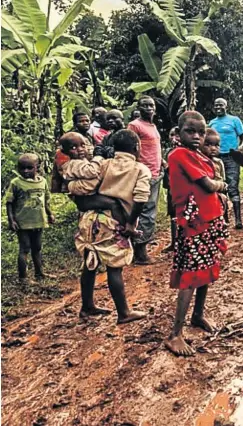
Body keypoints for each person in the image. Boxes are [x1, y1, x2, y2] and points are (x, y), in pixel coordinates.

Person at [67, 130, 151, 324]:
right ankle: (124, 313)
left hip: (91, 219)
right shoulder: (140, 169)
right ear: (137, 148)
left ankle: (87, 307)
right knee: (115, 268)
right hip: (114, 223)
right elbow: (140, 198)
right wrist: (130, 223)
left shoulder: (104, 165)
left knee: (90, 263)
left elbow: (87, 187)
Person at [166, 111, 230, 356]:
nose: (196, 136)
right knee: (191, 276)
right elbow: (209, 184)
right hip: (195, 225)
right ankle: (175, 335)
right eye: (190, 131)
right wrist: (221, 186)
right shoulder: (180, 155)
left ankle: (198, 315)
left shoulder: (198, 155)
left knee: (207, 271)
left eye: (201, 132)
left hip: (209, 221)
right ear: (178, 132)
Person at [59, 132, 127, 225]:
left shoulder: (82, 160)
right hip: (85, 199)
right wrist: (99, 157)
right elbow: (91, 171)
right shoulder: (74, 163)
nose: (80, 150)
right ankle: (123, 228)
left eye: (83, 145)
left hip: (90, 195)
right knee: (113, 204)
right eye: (73, 148)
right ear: (65, 151)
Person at [6, 154, 55, 281]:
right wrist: (11, 220)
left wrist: (50, 214)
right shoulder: (16, 183)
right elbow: (9, 203)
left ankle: (39, 274)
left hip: (38, 221)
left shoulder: (43, 181)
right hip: (23, 222)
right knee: (25, 248)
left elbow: (46, 200)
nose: (25, 171)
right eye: (22, 168)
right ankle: (23, 278)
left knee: (37, 248)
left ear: (37, 167)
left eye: (29, 168)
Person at [127, 96, 164, 264]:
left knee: (150, 211)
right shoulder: (135, 125)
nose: (149, 108)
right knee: (146, 212)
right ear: (138, 107)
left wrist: (162, 161)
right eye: (145, 105)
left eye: (151, 105)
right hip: (144, 174)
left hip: (155, 173)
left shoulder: (152, 125)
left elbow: (153, 148)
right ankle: (140, 252)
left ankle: (142, 245)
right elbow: (130, 148)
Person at [209, 98, 243, 230]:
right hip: (216, 159)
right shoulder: (212, 123)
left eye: (221, 105)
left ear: (226, 106)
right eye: (216, 105)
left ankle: (238, 220)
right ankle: (224, 219)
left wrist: (240, 147)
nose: (218, 107)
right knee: (220, 187)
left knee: (233, 186)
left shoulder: (234, 120)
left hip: (232, 157)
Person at [201, 128, 229, 223]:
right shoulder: (199, 162)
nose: (213, 148)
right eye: (208, 145)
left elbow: (223, 180)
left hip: (218, 195)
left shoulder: (219, 162)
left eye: (216, 145)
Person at [162, 127, 180, 254]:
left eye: (177, 135)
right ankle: (174, 242)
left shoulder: (186, 151)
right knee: (173, 214)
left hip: (182, 188)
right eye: (171, 135)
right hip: (171, 187)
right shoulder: (168, 152)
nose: (174, 138)